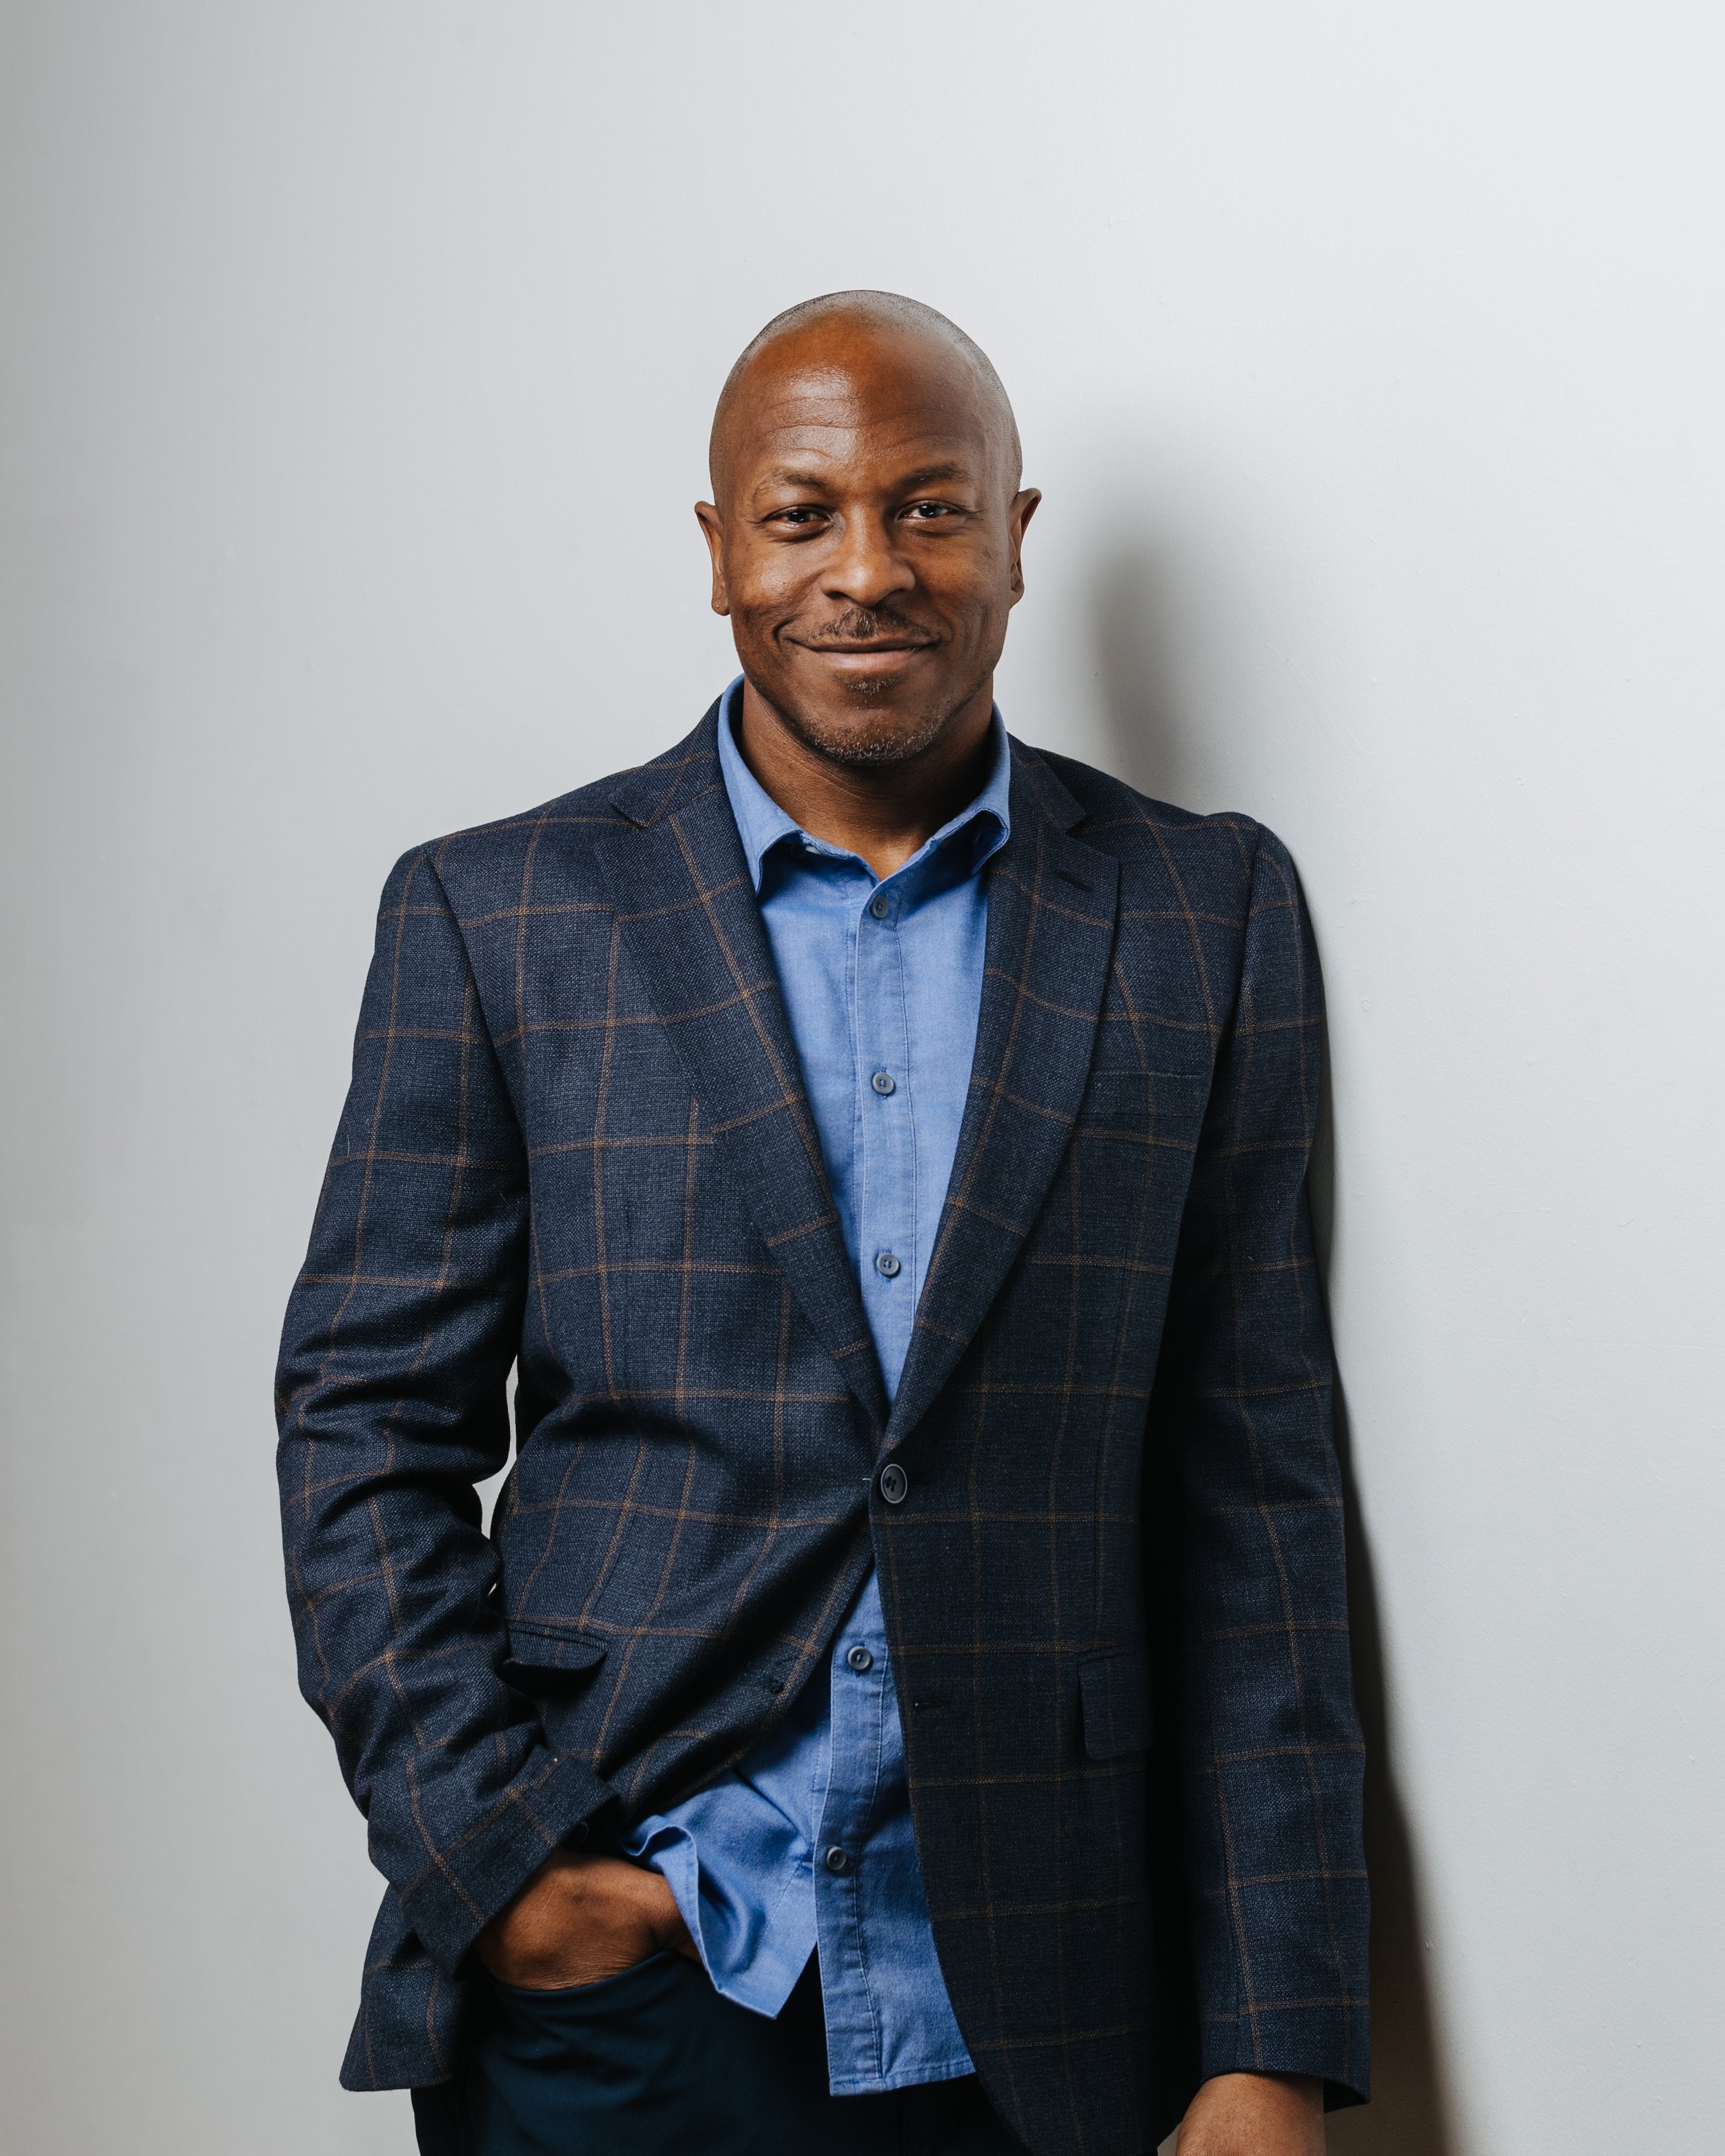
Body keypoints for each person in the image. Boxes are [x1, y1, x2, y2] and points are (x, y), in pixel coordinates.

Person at [276, 290, 1368, 2156]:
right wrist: (509, 1865)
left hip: (1051, 1996)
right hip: (641, 1976)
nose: (865, 569)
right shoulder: (503, 918)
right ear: (717, 553)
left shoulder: (1201, 916)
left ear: (1017, 537)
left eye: (930, 508)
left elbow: (1250, 1487)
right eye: (802, 514)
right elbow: (366, 1427)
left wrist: (1271, 2035)